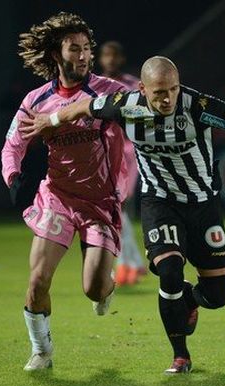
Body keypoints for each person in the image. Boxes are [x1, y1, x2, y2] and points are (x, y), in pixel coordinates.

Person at [19, 56, 225, 374]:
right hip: (159, 203)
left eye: (172, 89)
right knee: (169, 272)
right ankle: (180, 356)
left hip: (203, 205)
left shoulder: (198, 107)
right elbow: (84, 107)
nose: (167, 98)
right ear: (143, 91)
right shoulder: (124, 104)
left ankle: (190, 299)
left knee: (217, 296)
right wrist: (52, 120)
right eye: (159, 92)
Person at [1, 12, 130, 372]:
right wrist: (13, 177)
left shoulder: (110, 92)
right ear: (57, 55)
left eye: (87, 48)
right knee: (38, 279)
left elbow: (135, 113)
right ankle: (41, 349)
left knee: (93, 289)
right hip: (57, 197)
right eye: (75, 49)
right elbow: (13, 145)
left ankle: (105, 286)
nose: (84, 55)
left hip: (100, 201)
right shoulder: (36, 99)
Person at [98, 41, 146, 286]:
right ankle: (132, 263)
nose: (111, 59)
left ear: (122, 58)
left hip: (128, 150)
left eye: (115, 55)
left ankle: (128, 264)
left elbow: (145, 112)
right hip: (102, 151)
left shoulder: (133, 84)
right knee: (115, 207)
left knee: (121, 204)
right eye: (107, 55)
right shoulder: (94, 84)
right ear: (101, 58)